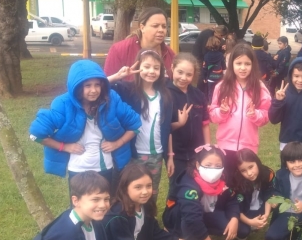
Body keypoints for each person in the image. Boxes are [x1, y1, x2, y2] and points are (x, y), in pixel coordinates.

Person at [29, 60, 141, 190]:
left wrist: (118, 143)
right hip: (77, 169)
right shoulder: (63, 104)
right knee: (80, 207)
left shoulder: (111, 99)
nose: (93, 90)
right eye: (87, 86)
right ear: (76, 87)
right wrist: (64, 147)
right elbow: (35, 135)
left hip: (106, 167)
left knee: (104, 205)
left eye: (97, 85)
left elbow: (135, 125)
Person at [103, 164, 193, 240]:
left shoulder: (144, 205)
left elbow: (154, 231)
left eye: (148, 186)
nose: (145, 192)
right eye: (138, 187)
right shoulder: (118, 214)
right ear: (125, 189)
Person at [109, 50, 173, 208]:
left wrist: (170, 156)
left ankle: (148, 223)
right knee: (131, 191)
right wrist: (118, 76)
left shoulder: (165, 96)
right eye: (147, 66)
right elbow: (100, 87)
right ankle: (130, 222)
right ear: (138, 68)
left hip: (156, 154)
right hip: (134, 154)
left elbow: (167, 128)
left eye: (156, 68)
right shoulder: (127, 90)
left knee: (151, 192)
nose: (151, 71)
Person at [162, 145, 244, 240]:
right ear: (197, 165)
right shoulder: (188, 183)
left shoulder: (223, 177)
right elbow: (192, 218)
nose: (213, 169)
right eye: (208, 164)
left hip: (206, 213)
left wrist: (234, 218)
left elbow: (232, 199)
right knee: (190, 218)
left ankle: (201, 235)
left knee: (242, 231)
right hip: (180, 217)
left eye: (218, 166)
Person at [209, 43, 272, 175]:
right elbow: (213, 115)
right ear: (232, 64)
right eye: (238, 63)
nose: (243, 68)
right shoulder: (222, 87)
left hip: (248, 146)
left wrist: (255, 115)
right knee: (227, 182)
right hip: (225, 145)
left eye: (247, 64)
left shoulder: (259, 88)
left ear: (253, 65)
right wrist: (221, 112)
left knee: (245, 183)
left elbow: (266, 115)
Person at [168, 53, 211, 181]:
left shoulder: (198, 95)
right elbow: (164, 128)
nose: (183, 78)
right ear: (172, 68)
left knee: (198, 184)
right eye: (180, 72)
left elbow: (205, 124)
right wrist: (179, 123)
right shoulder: (165, 94)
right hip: (176, 153)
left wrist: (207, 148)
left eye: (189, 74)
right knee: (177, 186)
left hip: (197, 152)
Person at [104, 8, 175, 80]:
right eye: (155, 26)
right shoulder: (119, 50)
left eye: (164, 26)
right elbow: (106, 84)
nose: (161, 30)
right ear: (142, 27)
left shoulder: (169, 54)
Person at [233, 149, 278, 235]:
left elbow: (269, 193)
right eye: (243, 171)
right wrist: (250, 222)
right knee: (244, 233)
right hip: (244, 211)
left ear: (257, 162)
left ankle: (273, 223)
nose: (249, 173)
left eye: (251, 167)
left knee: (277, 200)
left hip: (261, 207)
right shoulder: (236, 182)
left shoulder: (268, 174)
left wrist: (266, 215)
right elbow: (235, 208)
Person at [203, 36, 226, 103]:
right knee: (219, 91)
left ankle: (211, 104)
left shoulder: (206, 56)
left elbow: (205, 67)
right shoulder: (220, 55)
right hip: (219, 77)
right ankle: (219, 103)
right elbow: (223, 66)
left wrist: (204, 77)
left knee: (211, 92)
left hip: (210, 78)